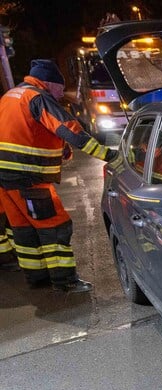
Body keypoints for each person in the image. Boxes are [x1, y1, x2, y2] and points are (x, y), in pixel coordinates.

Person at [0, 59, 118, 292]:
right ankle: (65, 281)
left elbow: (26, 131)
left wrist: (60, 149)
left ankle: (37, 278)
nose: (62, 92)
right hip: (29, 178)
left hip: (5, 179)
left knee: (23, 229)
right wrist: (108, 155)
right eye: (59, 87)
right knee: (56, 227)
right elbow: (71, 130)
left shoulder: (11, 96)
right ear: (47, 83)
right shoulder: (38, 97)